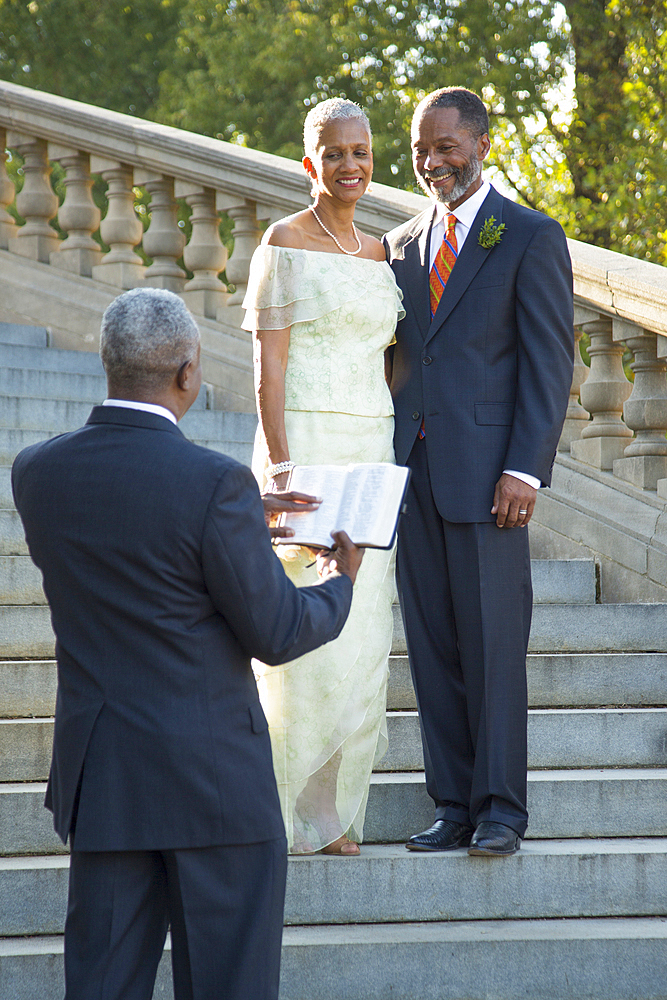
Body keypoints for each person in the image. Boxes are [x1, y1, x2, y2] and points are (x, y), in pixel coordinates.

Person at [11, 287, 364, 1000]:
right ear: (187, 373)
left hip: (105, 782)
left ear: (107, 363)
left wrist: (235, 521)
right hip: (215, 790)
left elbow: (136, 530)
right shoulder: (214, 483)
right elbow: (278, 631)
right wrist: (339, 580)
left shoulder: (37, 472)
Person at [383, 87, 574, 857]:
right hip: (412, 475)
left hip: (491, 477)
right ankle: (453, 803)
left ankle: (500, 810)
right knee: (432, 645)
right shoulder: (397, 245)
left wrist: (524, 471)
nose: (431, 163)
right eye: (420, 150)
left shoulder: (529, 235)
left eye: (445, 147)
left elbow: (548, 361)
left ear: (482, 144)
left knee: (493, 646)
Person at [242, 98, 404, 857]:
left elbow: (391, 362)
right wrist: (279, 465)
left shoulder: (380, 254)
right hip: (305, 445)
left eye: (360, 152)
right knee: (301, 623)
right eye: (332, 153)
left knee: (363, 632)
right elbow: (266, 368)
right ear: (309, 161)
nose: (348, 166)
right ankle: (279, 806)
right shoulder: (282, 243)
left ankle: (333, 813)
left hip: (371, 447)